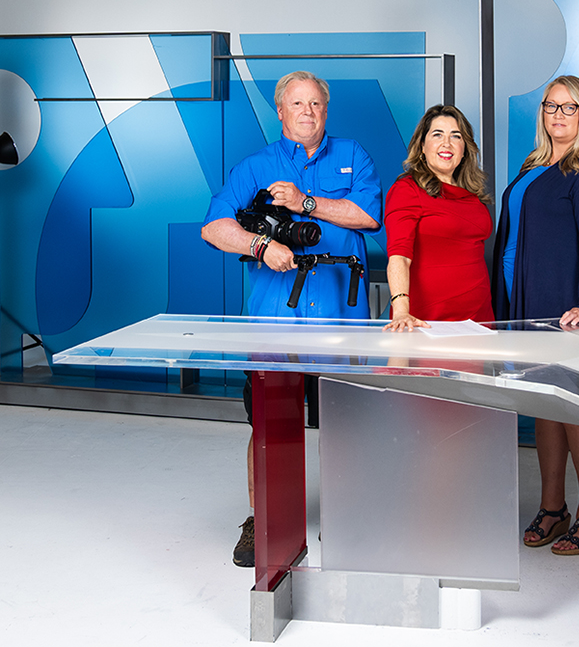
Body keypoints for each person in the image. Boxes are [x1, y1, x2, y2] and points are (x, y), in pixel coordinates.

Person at [202, 71, 381, 567]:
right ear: (279, 111)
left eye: (316, 103)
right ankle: (263, 519)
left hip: (342, 323)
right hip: (273, 324)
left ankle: (352, 518)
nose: (308, 112)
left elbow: (368, 215)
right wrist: (261, 245)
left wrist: (306, 204)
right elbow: (214, 227)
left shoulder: (353, 156)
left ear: (327, 109)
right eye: (297, 104)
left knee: (347, 427)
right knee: (267, 426)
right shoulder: (256, 166)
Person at [491, 74, 579, 556]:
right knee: (546, 406)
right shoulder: (534, 164)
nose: (559, 115)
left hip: (569, 310)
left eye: (569, 108)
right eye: (551, 107)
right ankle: (553, 508)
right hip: (526, 304)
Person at [382, 105, 493, 331]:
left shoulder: (473, 197)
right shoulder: (407, 189)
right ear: (422, 146)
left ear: (465, 149)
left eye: (456, 136)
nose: (447, 143)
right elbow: (399, 256)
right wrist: (402, 310)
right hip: (427, 320)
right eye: (437, 134)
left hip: (478, 319)